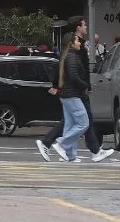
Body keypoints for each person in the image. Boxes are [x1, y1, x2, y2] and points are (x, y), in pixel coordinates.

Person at [37, 17, 114, 163]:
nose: (86, 27)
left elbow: (65, 68)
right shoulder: (75, 49)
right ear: (78, 28)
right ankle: (73, 147)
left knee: (71, 121)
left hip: (72, 90)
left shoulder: (72, 47)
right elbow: (75, 71)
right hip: (75, 91)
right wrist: (85, 86)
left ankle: (68, 152)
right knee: (84, 121)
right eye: (84, 25)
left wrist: (57, 85)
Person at [46, 32, 92, 163]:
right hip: (72, 94)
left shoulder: (67, 56)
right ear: (71, 43)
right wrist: (85, 85)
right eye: (77, 41)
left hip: (66, 94)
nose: (79, 43)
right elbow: (73, 76)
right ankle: (62, 143)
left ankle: (70, 155)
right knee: (84, 123)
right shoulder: (72, 57)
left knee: (70, 124)